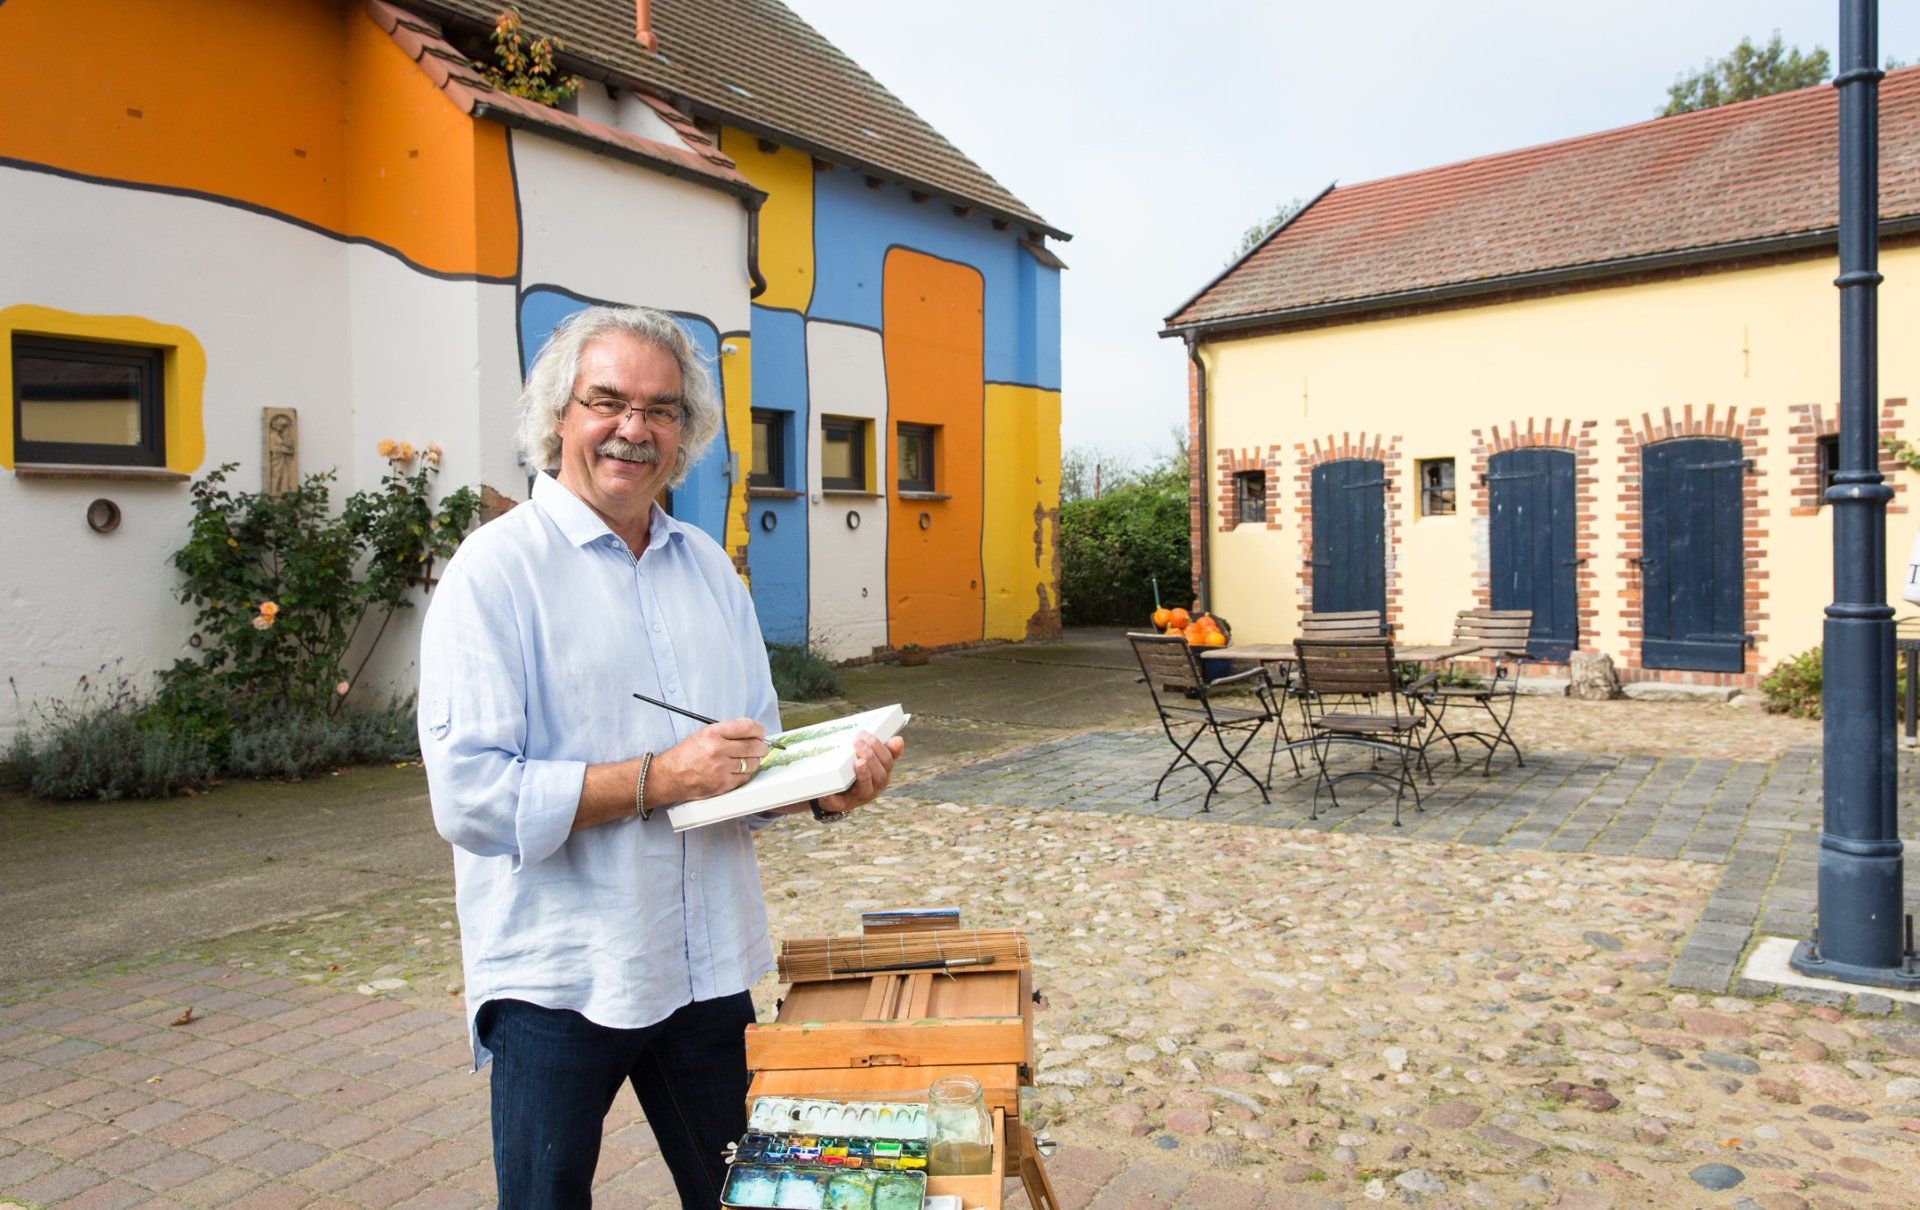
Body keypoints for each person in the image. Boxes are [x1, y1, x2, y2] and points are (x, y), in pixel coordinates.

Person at [417, 305, 903, 1207]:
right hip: (561, 975)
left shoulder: (709, 568)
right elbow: (471, 797)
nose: (634, 428)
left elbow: (749, 758)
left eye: (662, 409)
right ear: (559, 414)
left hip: (702, 963)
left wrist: (824, 786)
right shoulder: (495, 571)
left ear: (686, 432)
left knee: (749, 1199)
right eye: (608, 401)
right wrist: (659, 779)